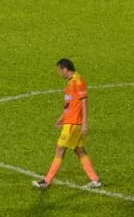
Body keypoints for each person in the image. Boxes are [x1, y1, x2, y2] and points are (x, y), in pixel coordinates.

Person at [34, 59, 102, 189]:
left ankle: (46, 181)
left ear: (65, 69)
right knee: (79, 150)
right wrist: (63, 117)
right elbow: (71, 104)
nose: (59, 74)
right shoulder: (71, 82)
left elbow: (84, 102)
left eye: (59, 71)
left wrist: (85, 123)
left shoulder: (78, 81)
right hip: (71, 121)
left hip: (74, 124)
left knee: (60, 149)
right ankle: (95, 180)